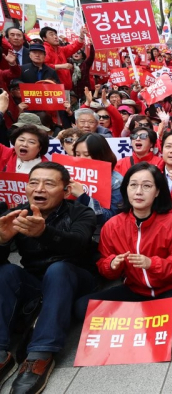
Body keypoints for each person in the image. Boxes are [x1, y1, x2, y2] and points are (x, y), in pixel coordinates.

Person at [0, 162, 97, 393]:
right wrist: (2, 241)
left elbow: (78, 244)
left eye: (49, 184)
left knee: (58, 269)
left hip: (75, 278)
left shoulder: (81, 212)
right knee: (6, 272)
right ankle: (2, 353)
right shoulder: (17, 213)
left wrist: (45, 233)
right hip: (37, 282)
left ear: (65, 191)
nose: (39, 189)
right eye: (33, 183)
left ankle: (40, 354)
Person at [74, 162, 172, 346]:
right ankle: (155, 322)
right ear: (126, 189)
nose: (139, 191)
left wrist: (151, 264)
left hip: (169, 287)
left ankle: (133, 320)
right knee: (82, 307)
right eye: (133, 185)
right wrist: (112, 264)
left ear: (158, 191)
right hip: (135, 289)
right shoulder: (112, 225)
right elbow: (104, 266)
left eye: (147, 186)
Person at [70, 133, 124, 242]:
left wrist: (83, 197)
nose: (81, 159)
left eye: (87, 154)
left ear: (100, 155)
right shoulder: (69, 175)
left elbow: (112, 218)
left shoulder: (115, 181)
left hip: (98, 236)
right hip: (70, 231)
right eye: (77, 154)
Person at [41, 26, 87, 91]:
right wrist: (62, 66)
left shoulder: (60, 49)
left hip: (65, 87)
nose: (55, 37)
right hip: (54, 88)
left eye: (55, 34)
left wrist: (81, 35)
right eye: (51, 35)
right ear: (44, 38)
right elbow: (44, 66)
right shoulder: (44, 50)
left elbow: (74, 46)